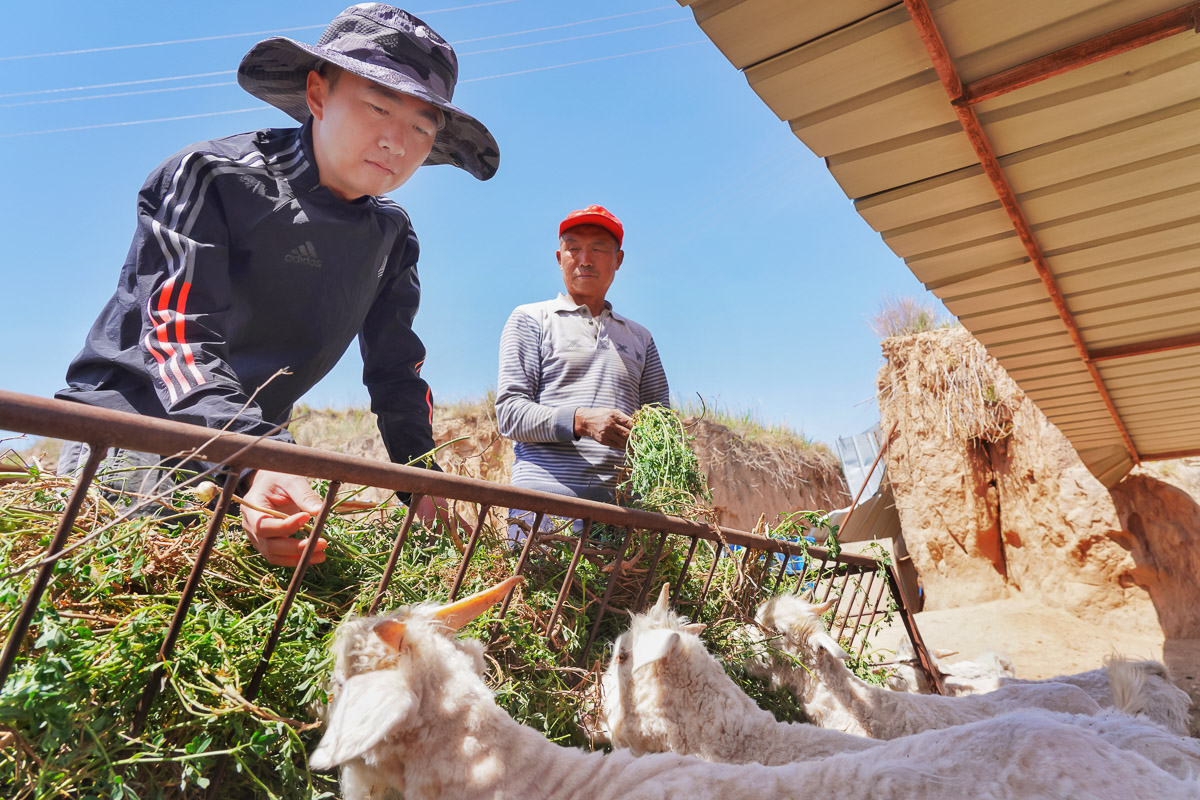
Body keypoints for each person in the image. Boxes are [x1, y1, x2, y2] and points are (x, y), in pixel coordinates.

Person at [55, 4, 499, 567]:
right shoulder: (213, 177)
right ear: (317, 95)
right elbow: (179, 338)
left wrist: (420, 476)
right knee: (109, 591)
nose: (396, 141)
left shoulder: (391, 236)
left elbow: (396, 372)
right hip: (134, 431)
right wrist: (257, 454)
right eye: (377, 107)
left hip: (253, 444)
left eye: (420, 126)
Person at [495, 205, 669, 545]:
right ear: (559, 257)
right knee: (537, 597)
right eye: (573, 248)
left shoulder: (640, 338)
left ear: (618, 259)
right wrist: (580, 421)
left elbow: (661, 426)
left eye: (598, 249)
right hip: (542, 511)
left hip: (618, 516)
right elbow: (510, 413)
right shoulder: (531, 319)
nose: (585, 259)